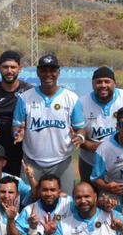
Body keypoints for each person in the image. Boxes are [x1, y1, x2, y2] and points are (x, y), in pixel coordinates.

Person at [12, 54, 86, 191]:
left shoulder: (71, 98)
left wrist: (79, 137)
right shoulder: (24, 98)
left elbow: (80, 128)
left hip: (62, 161)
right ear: (38, 72)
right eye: (44, 70)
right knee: (28, 200)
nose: (48, 74)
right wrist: (17, 133)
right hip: (32, 161)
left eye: (52, 70)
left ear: (58, 72)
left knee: (65, 204)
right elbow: (17, 126)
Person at [77, 66, 123, 182]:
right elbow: (78, 137)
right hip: (90, 161)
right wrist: (100, 148)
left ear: (115, 83)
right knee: (88, 196)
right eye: (99, 82)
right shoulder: (81, 103)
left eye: (107, 81)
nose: (103, 85)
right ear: (92, 84)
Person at [0, 50, 33, 176]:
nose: (9, 71)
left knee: (22, 192)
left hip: (24, 155)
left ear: (20, 69)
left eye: (13, 67)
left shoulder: (29, 92)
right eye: (5, 67)